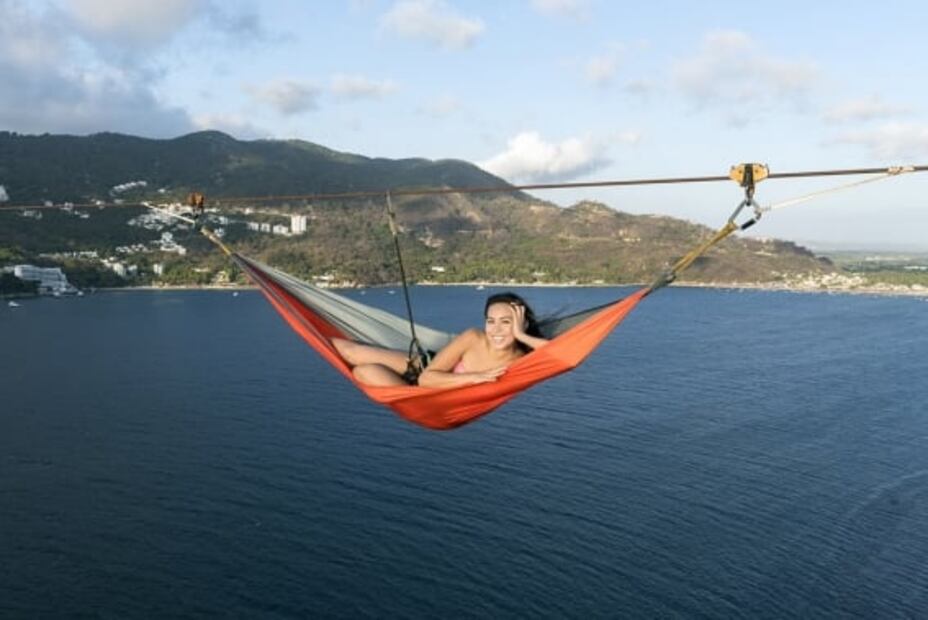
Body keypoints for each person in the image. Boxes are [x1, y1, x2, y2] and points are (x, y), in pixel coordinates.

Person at [331, 292, 548, 387]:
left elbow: (557, 354)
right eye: (491, 321)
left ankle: (406, 396)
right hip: (426, 369)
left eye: (506, 322)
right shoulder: (474, 337)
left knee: (363, 372)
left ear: (521, 323)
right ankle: (307, 318)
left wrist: (521, 335)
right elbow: (427, 378)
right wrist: (475, 377)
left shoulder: (520, 362)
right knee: (347, 350)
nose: (496, 329)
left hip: (424, 397)